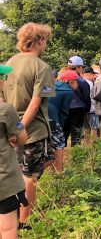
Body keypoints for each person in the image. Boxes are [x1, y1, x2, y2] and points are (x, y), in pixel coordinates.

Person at [0, 22, 55, 229]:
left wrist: (11, 127)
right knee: (29, 177)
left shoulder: (9, 63)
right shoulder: (41, 66)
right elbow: (35, 101)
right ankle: (23, 221)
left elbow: (2, 97)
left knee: (15, 172)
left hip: (10, 130)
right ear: (39, 40)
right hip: (32, 131)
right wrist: (21, 126)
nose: (45, 44)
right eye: (45, 40)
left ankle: (10, 214)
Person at [0, 65, 29, 238]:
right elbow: (23, 138)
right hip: (5, 180)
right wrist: (13, 137)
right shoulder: (5, 110)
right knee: (8, 228)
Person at [48, 70, 79, 172]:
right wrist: (59, 125)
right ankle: (58, 171)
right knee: (60, 141)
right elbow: (64, 111)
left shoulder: (53, 85)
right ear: (70, 81)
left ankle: (53, 168)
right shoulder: (68, 92)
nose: (78, 83)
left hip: (42, 116)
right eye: (76, 81)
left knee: (49, 142)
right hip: (53, 117)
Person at [63, 56, 91, 146]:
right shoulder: (82, 82)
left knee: (64, 132)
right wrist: (87, 109)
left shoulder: (62, 80)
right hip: (79, 109)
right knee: (76, 133)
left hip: (65, 108)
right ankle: (75, 154)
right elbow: (87, 98)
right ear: (78, 67)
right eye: (82, 67)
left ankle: (61, 154)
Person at [82, 66, 99, 139]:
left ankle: (87, 144)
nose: (93, 76)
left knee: (86, 127)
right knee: (94, 127)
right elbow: (92, 96)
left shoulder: (80, 82)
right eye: (93, 74)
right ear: (90, 73)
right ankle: (94, 144)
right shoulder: (90, 83)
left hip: (83, 108)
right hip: (92, 108)